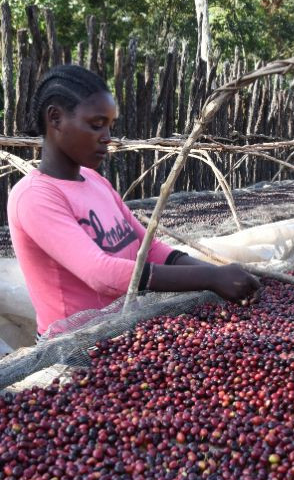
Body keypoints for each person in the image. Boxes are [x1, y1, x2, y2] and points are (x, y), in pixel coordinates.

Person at [8, 65, 260, 337]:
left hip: (124, 330)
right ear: (55, 118)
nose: (107, 138)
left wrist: (223, 273)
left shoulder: (95, 181)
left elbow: (149, 249)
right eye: (96, 125)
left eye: (109, 126)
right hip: (73, 347)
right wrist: (211, 279)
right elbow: (101, 274)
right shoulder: (35, 197)